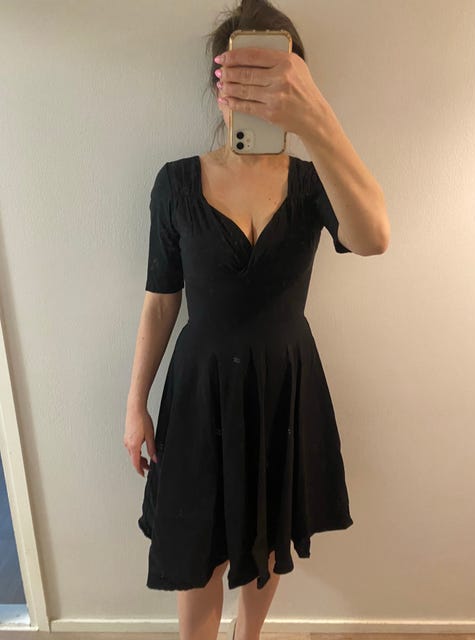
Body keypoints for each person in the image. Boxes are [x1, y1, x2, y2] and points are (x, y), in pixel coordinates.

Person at [124, 0, 390, 638]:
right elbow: (161, 299)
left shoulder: (314, 182)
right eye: (240, 76)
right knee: (198, 542)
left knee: (266, 535)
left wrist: (319, 123)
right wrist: (135, 404)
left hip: (283, 385)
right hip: (199, 389)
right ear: (218, 82)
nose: (255, 92)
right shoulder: (176, 184)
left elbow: (374, 237)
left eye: (273, 78)